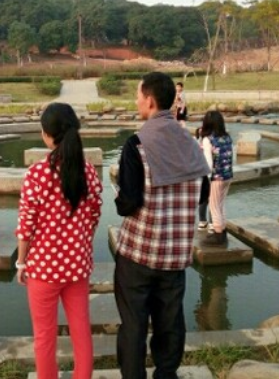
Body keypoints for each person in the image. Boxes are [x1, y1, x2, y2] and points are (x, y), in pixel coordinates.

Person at [113, 72, 210, 379]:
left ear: (150, 101)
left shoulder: (136, 144)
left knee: (134, 325)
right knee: (170, 325)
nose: (136, 101)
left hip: (138, 256)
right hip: (175, 258)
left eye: (138, 96)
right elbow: (203, 195)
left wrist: (118, 195)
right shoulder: (191, 144)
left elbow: (128, 204)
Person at [15, 102, 103, 379]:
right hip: (77, 266)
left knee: (44, 337)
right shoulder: (88, 171)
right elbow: (94, 215)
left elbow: (26, 226)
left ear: (46, 134)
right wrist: (81, 245)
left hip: (43, 269)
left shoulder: (37, 174)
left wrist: (20, 263)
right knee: (81, 331)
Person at [200, 110, 234, 246]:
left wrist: (206, 178)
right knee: (220, 204)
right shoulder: (227, 137)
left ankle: (218, 235)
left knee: (214, 206)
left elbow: (208, 164)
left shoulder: (208, 140)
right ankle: (223, 231)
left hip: (216, 177)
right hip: (228, 176)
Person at [195, 127, 211, 230]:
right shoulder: (208, 142)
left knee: (204, 198)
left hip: (200, 173)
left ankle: (202, 221)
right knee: (209, 199)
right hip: (206, 173)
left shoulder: (195, 143)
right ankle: (210, 223)